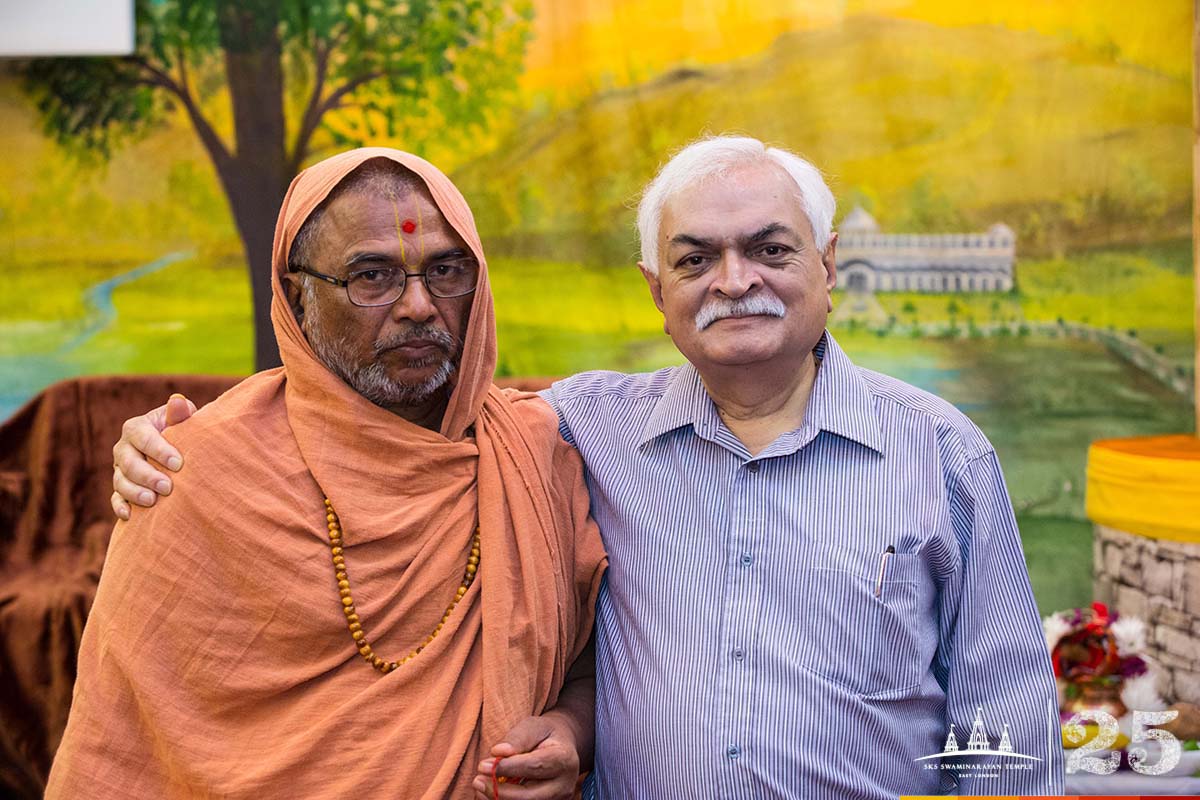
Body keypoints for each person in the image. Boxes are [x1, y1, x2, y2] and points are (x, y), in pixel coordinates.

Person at [111, 136, 1064, 798]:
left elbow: (1005, 726)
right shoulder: (576, 431)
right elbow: (378, 411)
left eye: (770, 249)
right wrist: (166, 438)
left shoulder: (941, 454)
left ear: (827, 264)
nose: (735, 280)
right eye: (696, 259)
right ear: (659, 292)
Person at [50, 148, 607, 799]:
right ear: (297, 296)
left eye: (447, 270)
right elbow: (121, 755)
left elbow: (597, 665)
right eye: (373, 277)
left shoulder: (535, 452)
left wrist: (570, 730)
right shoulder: (190, 476)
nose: (420, 305)